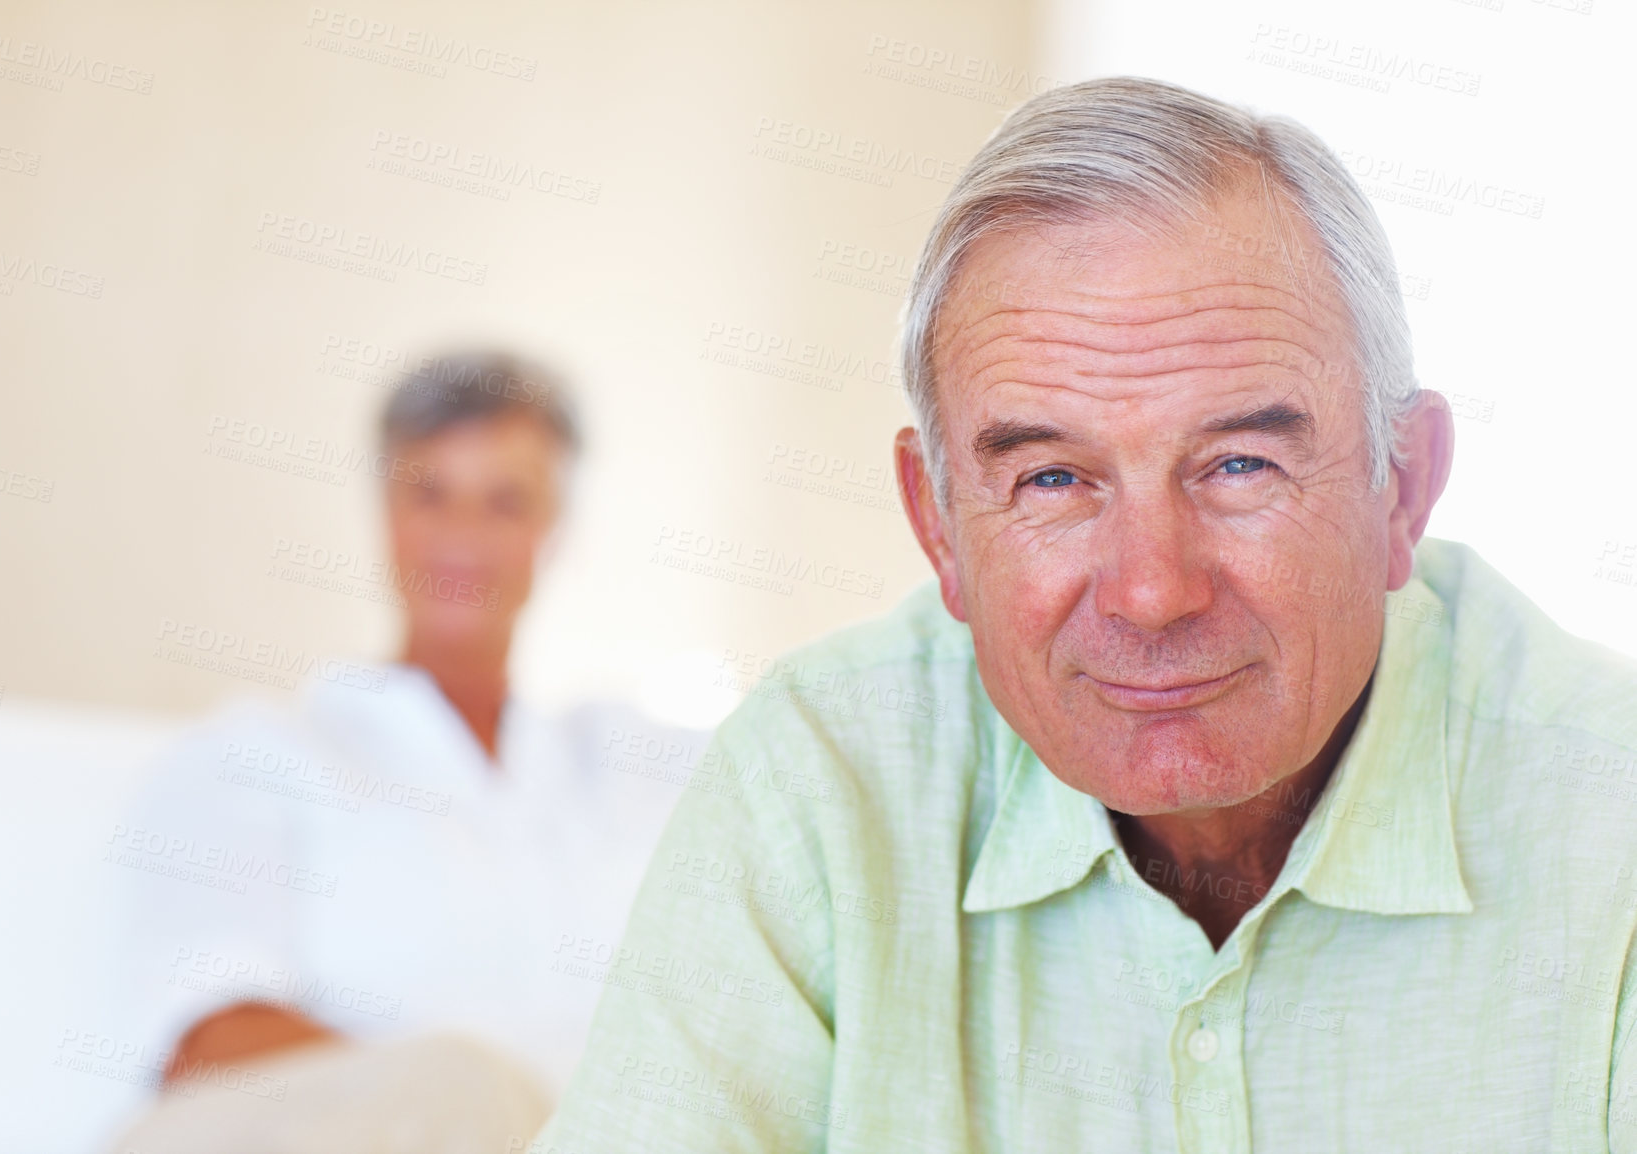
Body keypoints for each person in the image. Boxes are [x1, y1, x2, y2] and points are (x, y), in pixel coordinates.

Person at [535, 78, 1637, 1152]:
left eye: (1240, 463)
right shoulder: (819, 782)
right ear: (938, 526)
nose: (1151, 590)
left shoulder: (1609, 819)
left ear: (1400, 485)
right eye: (1053, 480)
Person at [113, 352, 702, 1152]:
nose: (463, 535)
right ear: (386, 511)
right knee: (465, 1088)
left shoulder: (622, 767)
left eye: (505, 501)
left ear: (552, 531)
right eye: (431, 494)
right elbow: (209, 1039)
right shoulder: (260, 752)